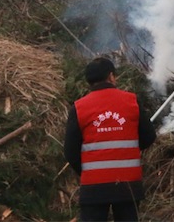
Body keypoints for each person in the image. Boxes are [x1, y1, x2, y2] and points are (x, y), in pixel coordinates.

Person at [64, 57, 157, 222]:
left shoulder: (79, 107)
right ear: (111, 76)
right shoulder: (131, 101)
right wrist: (128, 152)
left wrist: (87, 171)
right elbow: (149, 136)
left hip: (93, 187)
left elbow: (70, 151)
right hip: (127, 185)